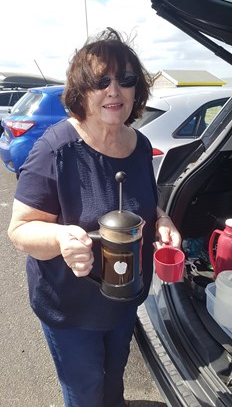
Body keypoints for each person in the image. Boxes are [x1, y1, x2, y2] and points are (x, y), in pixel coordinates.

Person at [8, 28, 181, 407]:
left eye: (126, 80)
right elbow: (19, 230)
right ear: (81, 91)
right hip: (70, 307)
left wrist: (163, 219)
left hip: (124, 297)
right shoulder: (55, 148)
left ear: (138, 90)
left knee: (114, 383)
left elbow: (144, 203)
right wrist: (60, 239)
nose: (114, 90)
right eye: (101, 81)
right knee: (85, 394)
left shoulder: (140, 145)